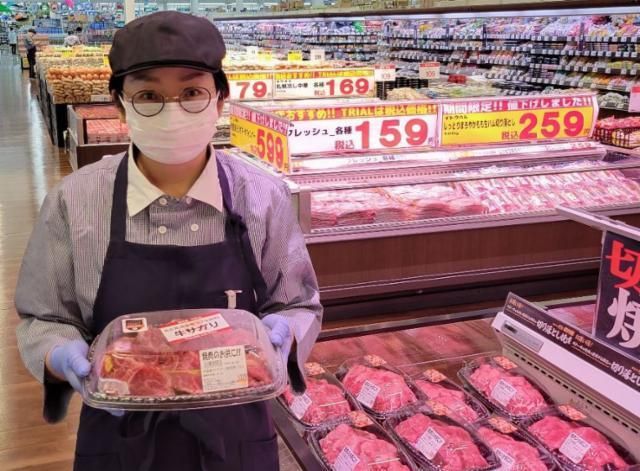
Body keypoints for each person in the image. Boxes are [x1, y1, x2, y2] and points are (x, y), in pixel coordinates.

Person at [15, 11, 322, 471]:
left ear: (221, 99)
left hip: (237, 436)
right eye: (148, 95)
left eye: (192, 92)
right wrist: (60, 355)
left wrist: (287, 333)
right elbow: (44, 317)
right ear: (120, 105)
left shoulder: (263, 196)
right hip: (119, 435)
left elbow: (299, 303)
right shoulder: (75, 200)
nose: (172, 110)